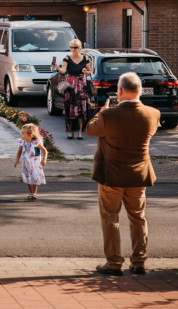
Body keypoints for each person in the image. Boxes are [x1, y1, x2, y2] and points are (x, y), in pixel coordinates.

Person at [87, 72, 160, 276]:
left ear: (119, 91)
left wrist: (101, 111)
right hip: (139, 175)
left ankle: (114, 262)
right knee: (138, 217)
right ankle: (139, 262)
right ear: (139, 91)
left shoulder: (108, 115)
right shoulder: (153, 114)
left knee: (110, 217)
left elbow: (91, 131)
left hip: (111, 174)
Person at [52, 39, 91, 139]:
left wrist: (86, 72)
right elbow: (63, 71)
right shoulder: (67, 58)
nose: (73, 49)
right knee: (70, 109)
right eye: (71, 47)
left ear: (79, 48)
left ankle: (80, 132)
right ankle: (70, 131)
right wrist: (57, 67)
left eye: (75, 47)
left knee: (81, 109)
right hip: (70, 86)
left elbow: (89, 72)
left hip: (81, 86)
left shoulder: (85, 58)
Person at [13, 124, 48, 200]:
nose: (21, 134)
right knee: (28, 177)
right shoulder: (23, 142)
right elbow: (19, 152)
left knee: (34, 177)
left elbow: (44, 150)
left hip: (35, 164)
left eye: (23, 133)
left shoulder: (36, 143)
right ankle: (30, 193)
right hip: (26, 163)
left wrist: (44, 159)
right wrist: (17, 160)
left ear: (29, 135)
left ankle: (34, 193)